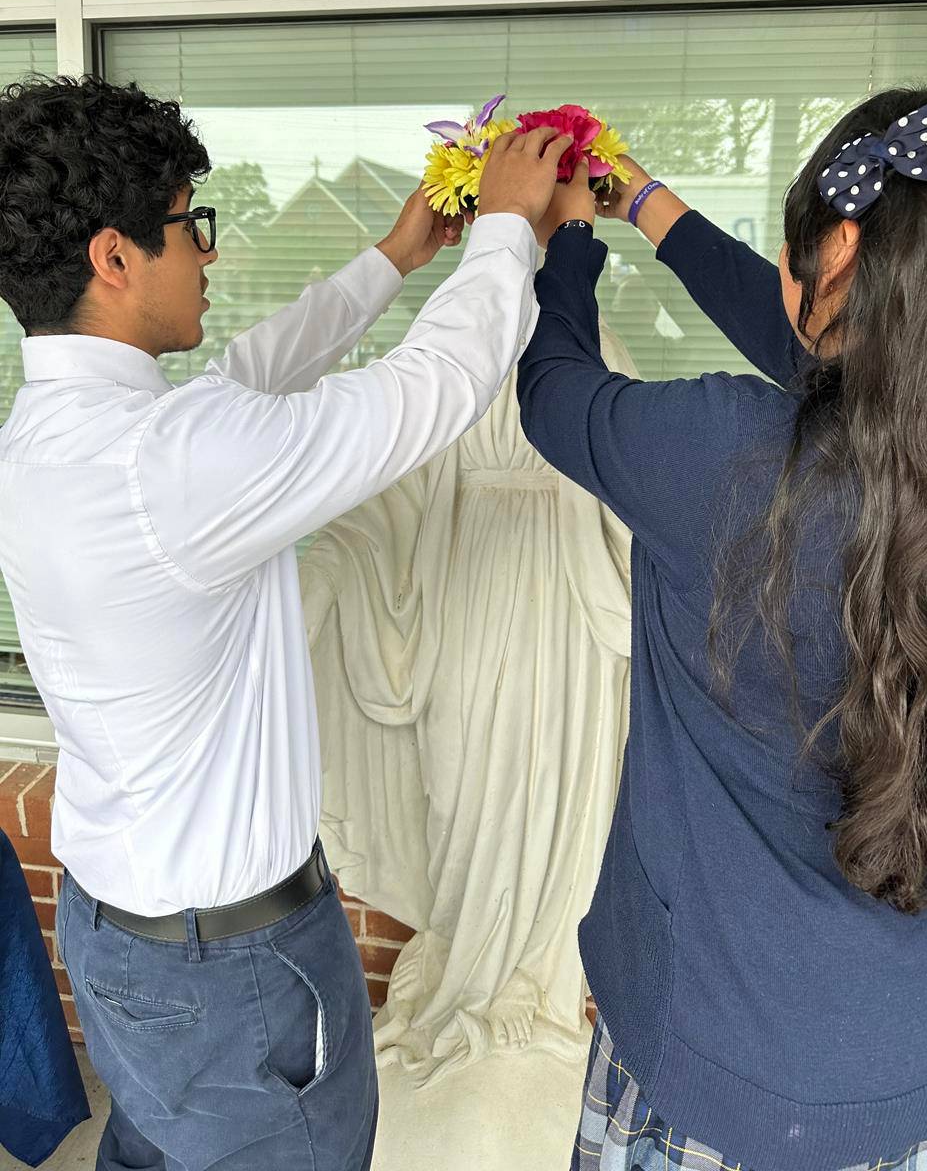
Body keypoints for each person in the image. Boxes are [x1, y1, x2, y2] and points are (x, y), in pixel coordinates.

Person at [0, 73, 570, 1171]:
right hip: (235, 972)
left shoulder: (50, 435)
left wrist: (398, 256)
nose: (206, 253)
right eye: (187, 227)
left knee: (157, 1148)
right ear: (114, 259)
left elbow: (246, 378)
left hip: (120, 938)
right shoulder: (168, 466)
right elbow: (433, 387)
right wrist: (505, 227)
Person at [518, 88, 927, 1171]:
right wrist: (643, 201)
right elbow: (831, 346)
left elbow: (553, 390)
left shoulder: (727, 460)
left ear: (842, 253)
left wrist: (570, 238)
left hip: (712, 1082)